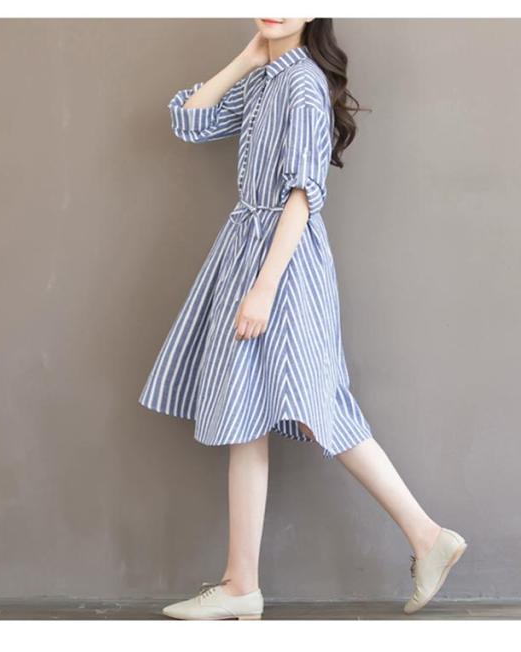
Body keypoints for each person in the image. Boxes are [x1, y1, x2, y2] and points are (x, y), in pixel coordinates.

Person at [139, 18, 467, 620]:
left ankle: (424, 536)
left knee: (317, 407)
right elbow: (188, 120)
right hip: (250, 253)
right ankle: (245, 581)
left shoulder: (303, 84)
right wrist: (247, 58)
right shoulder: (267, 77)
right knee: (254, 410)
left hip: (280, 265)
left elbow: (303, 192)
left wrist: (264, 288)